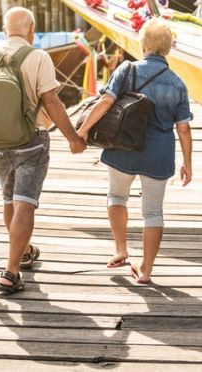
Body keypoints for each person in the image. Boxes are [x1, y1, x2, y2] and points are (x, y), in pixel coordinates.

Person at [0, 7, 86, 294]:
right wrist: (73, 138)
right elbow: (52, 102)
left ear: (5, 29)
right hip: (31, 141)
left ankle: (25, 252)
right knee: (25, 203)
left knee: (10, 201)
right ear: (31, 28)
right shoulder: (38, 57)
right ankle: (10, 272)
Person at [76, 18, 193, 284]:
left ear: (143, 44)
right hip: (159, 152)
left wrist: (83, 131)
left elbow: (106, 101)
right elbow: (183, 128)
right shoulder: (178, 83)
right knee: (153, 212)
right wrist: (187, 162)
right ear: (169, 48)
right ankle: (146, 270)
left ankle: (121, 249)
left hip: (122, 147)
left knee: (117, 196)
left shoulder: (126, 70)